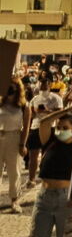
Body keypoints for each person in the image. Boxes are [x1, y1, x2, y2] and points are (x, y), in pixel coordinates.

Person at [28, 101, 72, 237]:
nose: (60, 130)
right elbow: (44, 122)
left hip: (67, 199)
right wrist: (68, 109)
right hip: (44, 198)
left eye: (65, 128)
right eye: (58, 127)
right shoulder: (50, 140)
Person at [1, 78, 30, 214]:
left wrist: (22, 144)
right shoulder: (0, 102)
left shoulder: (24, 106)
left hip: (14, 138)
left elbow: (26, 128)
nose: (9, 91)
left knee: (14, 172)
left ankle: (14, 200)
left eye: (12, 88)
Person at [26, 78, 63, 187]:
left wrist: (47, 111)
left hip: (49, 127)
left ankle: (45, 178)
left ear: (49, 84)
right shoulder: (35, 98)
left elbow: (60, 113)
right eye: (40, 84)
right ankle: (31, 179)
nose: (42, 86)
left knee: (47, 155)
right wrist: (35, 112)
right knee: (33, 155)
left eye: (44, 84)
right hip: (35, 127)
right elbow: (31, 114)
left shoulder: (56, 98)